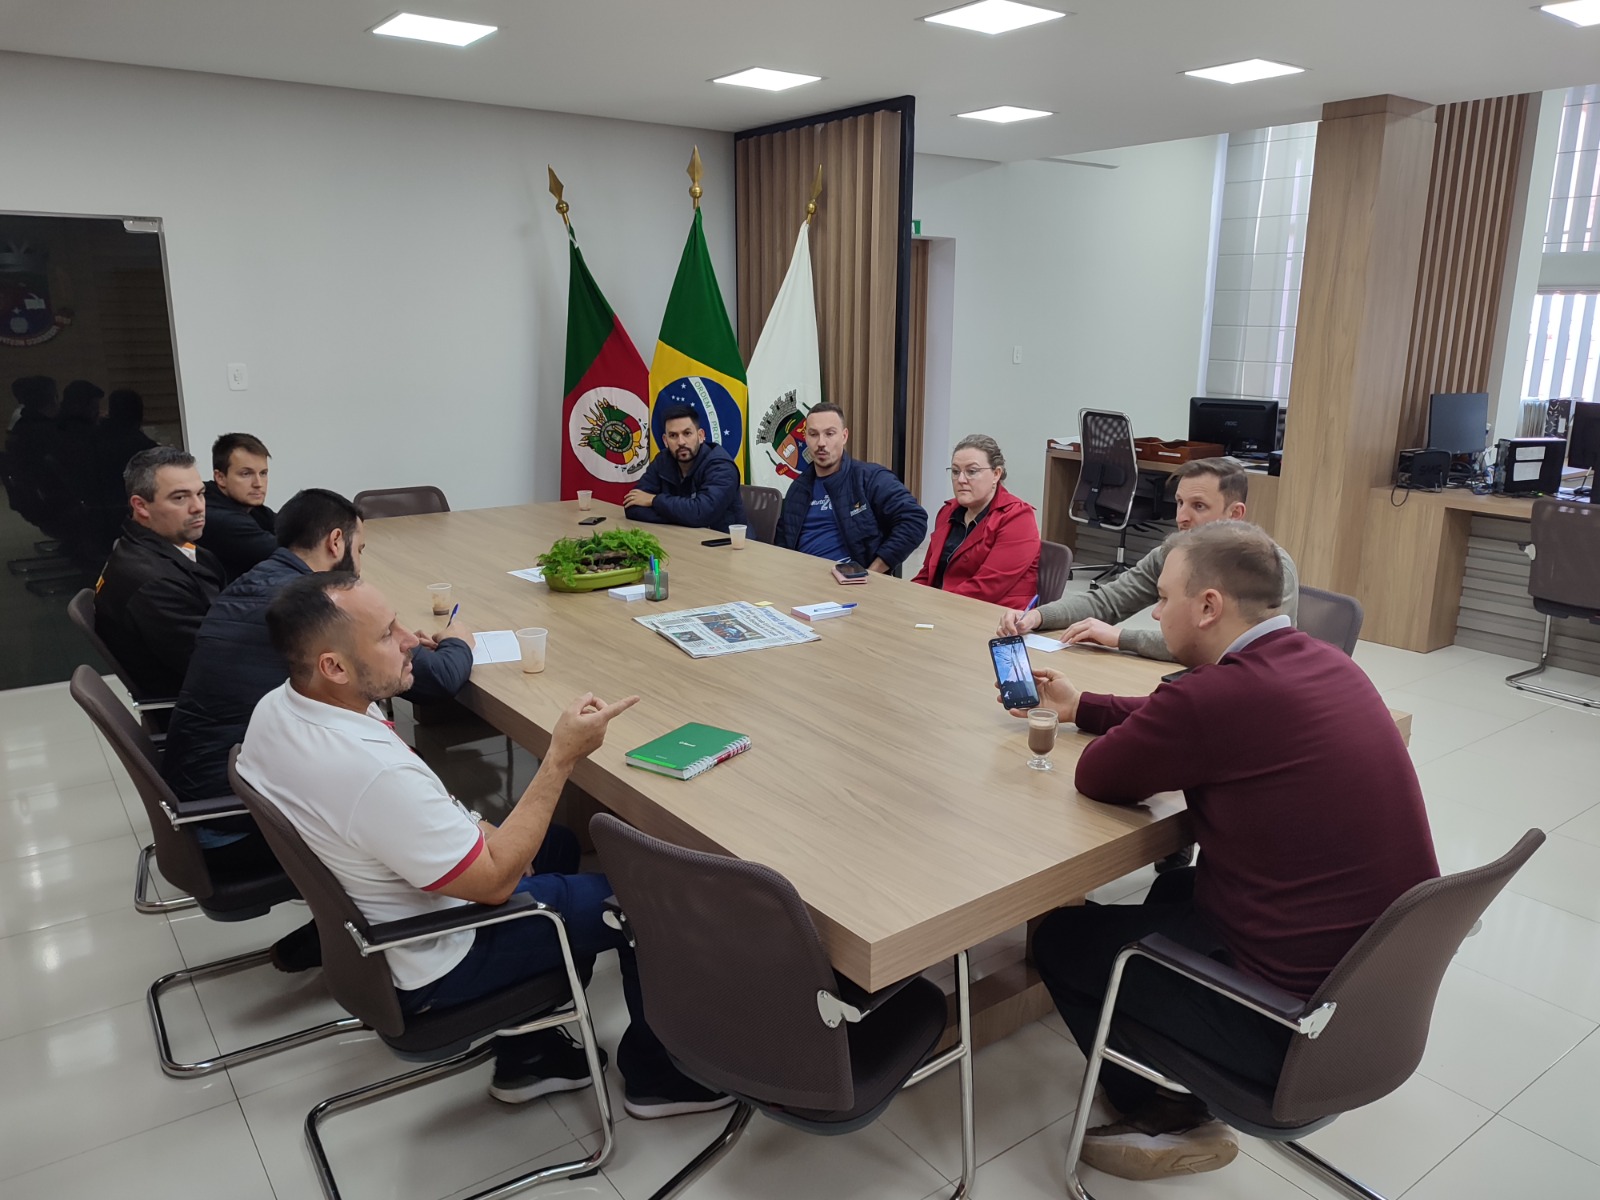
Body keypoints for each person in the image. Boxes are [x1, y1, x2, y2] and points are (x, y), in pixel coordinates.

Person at [1005, 522, 1437, 1182]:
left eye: (1165, 595)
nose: (1154, 610)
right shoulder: (1329, 664)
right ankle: (1169, 1073)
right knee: (1177, 889)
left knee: (1064, 938)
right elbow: (1192, 719)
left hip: (1283, 1026)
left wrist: (1095, 723)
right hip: (1369, 999)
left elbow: (1103, 774)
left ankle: (1174, 1113)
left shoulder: (1216, 699)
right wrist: (1085, 705)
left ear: (1208, 606)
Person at [237, 572, 736, 1116]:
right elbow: (495, 881)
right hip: (437, 958)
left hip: (380, 924)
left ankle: (533, 1052)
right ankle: (657, 1076)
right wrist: (561, 756)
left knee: (558, 845)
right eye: (386, 634)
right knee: (643, 901)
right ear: (333, 666)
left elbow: (408, 814)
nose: (412, 639)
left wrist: (476, 829)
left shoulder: (281, 708)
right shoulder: (367, 773)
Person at [161, 487, 476, 808]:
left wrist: (394, 640)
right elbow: (438, 680)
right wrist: (457, 640)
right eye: (361, 549)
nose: (360, 564)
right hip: (237, 808)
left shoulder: (253, 581)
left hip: (201, 778)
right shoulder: (319, 607)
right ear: (336, 541)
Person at [996, 457, 1299, 662]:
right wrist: (1038, 617)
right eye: (1179, 502)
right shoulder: (1175, 553)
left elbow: (1233, 651)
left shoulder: (1270, 567)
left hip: (1248, 692)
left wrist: (1121, 638)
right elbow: (1108, 602)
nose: (1182, 517)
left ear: (1235, 514)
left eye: (1199, 506)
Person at [94, 447, 226, 698]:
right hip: (205, 713)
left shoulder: (167, 546)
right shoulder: (153, 583)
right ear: (141, 506)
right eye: (180, 498)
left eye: (201, 494)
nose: (198, 507)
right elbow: (215, 667)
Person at [774, 403, 927, 573]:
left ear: (844, 436)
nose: (821, 443)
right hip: (801, 579)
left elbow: (914, 520)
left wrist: (873, 573)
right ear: (806, 439)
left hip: (849, 582)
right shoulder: (798, 488)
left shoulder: (869, 478)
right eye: (813, 434)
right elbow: (782, 541)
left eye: (829, 434)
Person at [911, 434, 1039, 607]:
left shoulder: (1017, 517)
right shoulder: (948, 511)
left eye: (971, 471)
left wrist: (933, 604)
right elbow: (928, 574)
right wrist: (907, 598)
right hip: (944, 608)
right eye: (955, 472)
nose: (961, 480)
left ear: (996, 474)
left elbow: (987, 588)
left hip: (993, 617)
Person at [622, 404, 747, 532]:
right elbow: (632, 506)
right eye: (673, 435)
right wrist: (684, 517)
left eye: (687, 433)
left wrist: (654, 500)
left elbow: (701, 514)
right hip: (681, 538)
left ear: (701, 436)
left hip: (726, 543)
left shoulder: (722, 467)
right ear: (665, 441)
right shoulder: (662, 460)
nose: (681, 442)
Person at [198, 432, 277, 580]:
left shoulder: (253, 509)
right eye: (246, 474)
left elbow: (292, 527)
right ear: (220, 478)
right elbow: (296, 554)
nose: (258, 483)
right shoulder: (216, 517)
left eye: (263, 473)